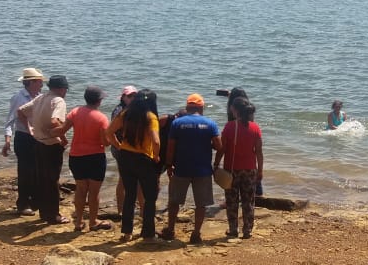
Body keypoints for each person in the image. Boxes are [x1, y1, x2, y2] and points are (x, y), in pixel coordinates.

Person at [162, 94, 222, 244]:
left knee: (174, 201)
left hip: (181, 168)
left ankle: (170, 230)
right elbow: (219, 146)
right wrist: (212, 155)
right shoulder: (210, 124)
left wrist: (169, 165)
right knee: (201, 204)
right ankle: (196, 234)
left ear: (187, 107)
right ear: (201, 108)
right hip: (203, 170)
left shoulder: (177, 123)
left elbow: (170, 147)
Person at [106, 89, 160, 241]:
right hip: (143, 159)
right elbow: (156, 141)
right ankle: (148, 233)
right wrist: (156, 156)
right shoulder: (150, 117)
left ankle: (127, 232)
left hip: (125, 157)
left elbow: (108, 132)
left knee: (130, 195)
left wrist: (118, 146)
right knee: (150, 197)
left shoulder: (125, 114)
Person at [17, 74, 70, 225]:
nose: (66, 92)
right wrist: (63, 138)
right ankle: (53, 215)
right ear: (62, 89)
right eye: (66, 89)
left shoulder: (41, 98)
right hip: (52, 145)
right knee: (52, 181)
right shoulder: (58, 100)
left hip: (38, 143)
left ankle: (44, 213)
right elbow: (55, 121)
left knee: (42, 179)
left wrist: (30, 129)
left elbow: (20, 111)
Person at [58, 86, 111, 232]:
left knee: (80, 189)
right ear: (99, 101)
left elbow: (62, 130)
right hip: (95, 157)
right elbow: (105, 142)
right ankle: (93, 222)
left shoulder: (75, 112)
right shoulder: (101, 118)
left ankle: (78, 222)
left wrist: (63, 140)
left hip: (76, 156)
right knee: (94, 192)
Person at [214, 96, 263, 239]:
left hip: (231, 170)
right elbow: (258, 152)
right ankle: (247, 230)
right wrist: (260, 170)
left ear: (234, 110)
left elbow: (222, 149)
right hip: (250, 170)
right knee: (248, 201)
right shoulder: (255, 127)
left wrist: (216, 164)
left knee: (232, 201)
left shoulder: (229, 126)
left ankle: (233, 230)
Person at [1, 67, 45, 216]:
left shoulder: (40, 96)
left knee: (38, 171)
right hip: (23, 137)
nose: (42, 84)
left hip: (38, 138)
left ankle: (35, 201)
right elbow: (10, 121)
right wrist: (7, 141)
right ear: (31, 82)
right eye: (39, 82)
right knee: (25, 172)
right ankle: (23, 204)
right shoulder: (18, 97)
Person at [109, 85, 139, 217]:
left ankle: (129, 207)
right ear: (123, 97)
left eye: (135, 95)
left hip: (130, 149)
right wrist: (119, 147)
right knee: (123, 179)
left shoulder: (133, 109)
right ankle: (121, 210)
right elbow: (111, 131)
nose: (133, 98)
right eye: (130, 96)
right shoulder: (119, 111)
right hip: (122, 150)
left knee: (132, 179)